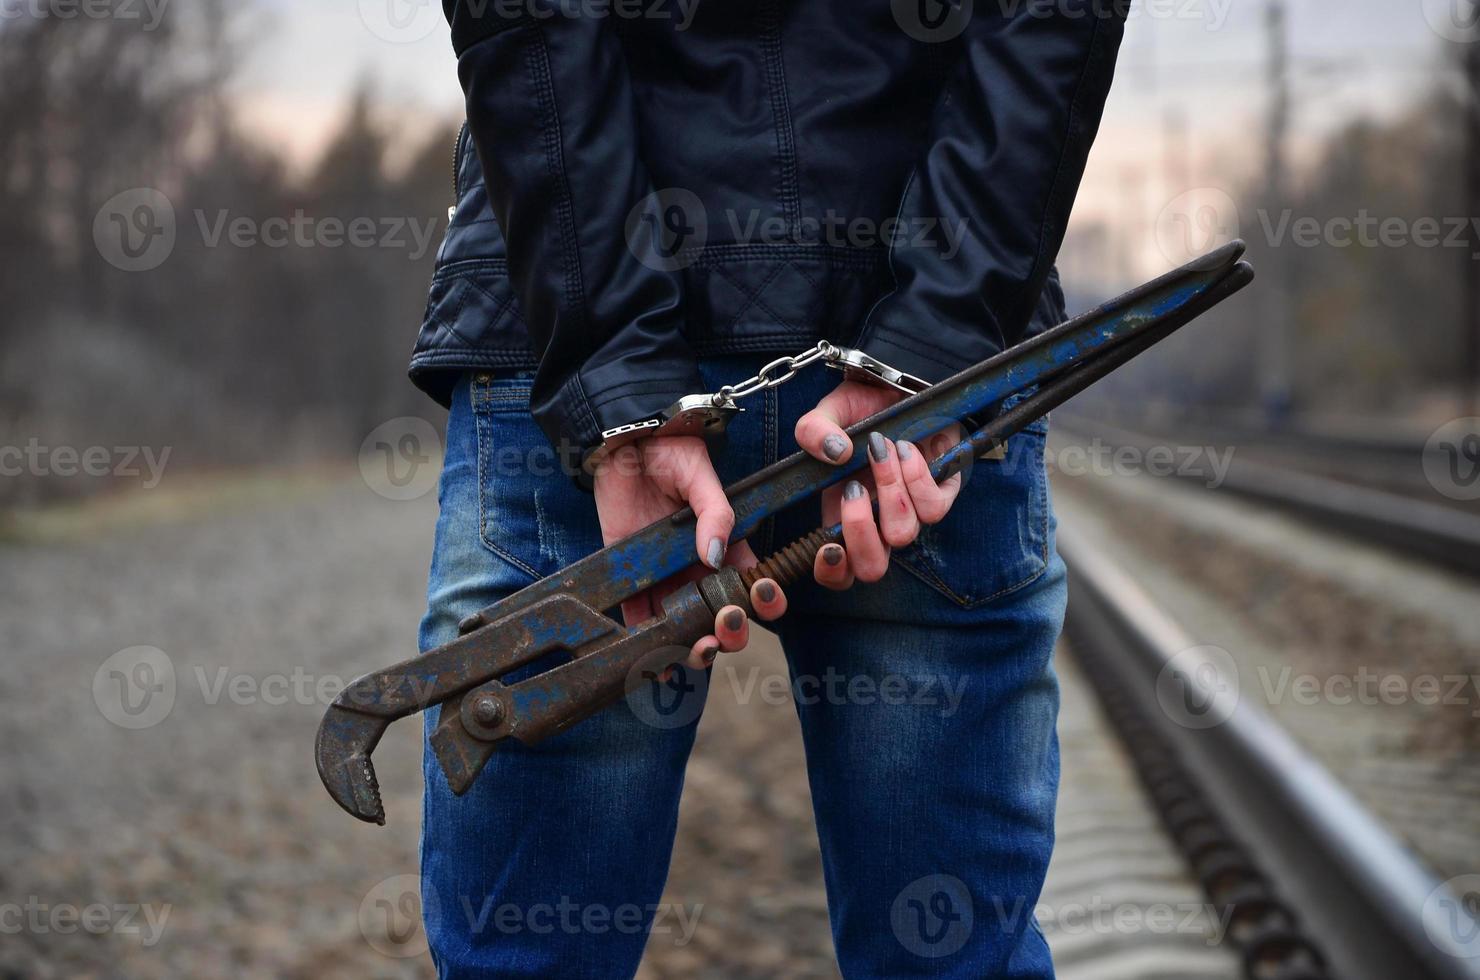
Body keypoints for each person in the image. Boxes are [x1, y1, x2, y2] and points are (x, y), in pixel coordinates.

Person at [413, 2, 1127, 975]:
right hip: (917, 366)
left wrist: (614, 371)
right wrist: (938, 330)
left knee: (524, 958)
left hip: (566, 337)